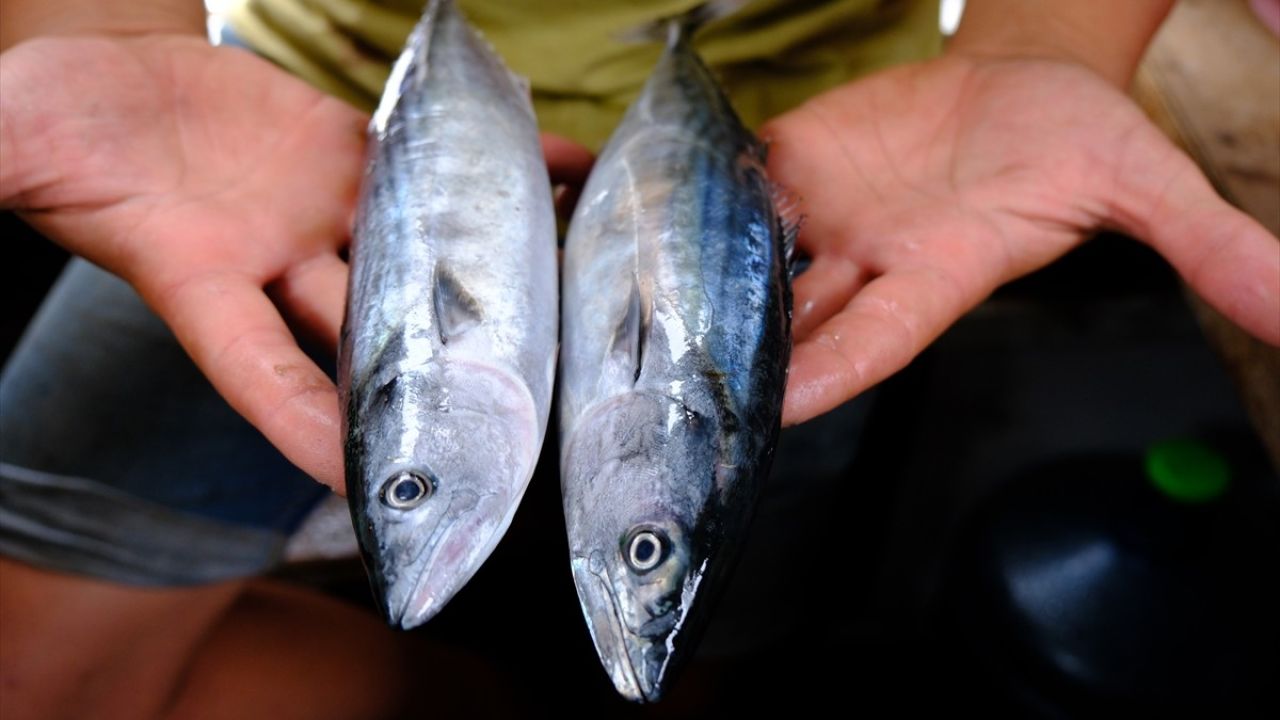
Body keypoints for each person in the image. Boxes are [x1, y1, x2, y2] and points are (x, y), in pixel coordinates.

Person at [1, 0, 1276, 717]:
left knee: (708, 645)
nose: (638, 543)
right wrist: (100, 27)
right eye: (641, 544)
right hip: (279, 137)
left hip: (842, 175)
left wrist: (1044, 47)